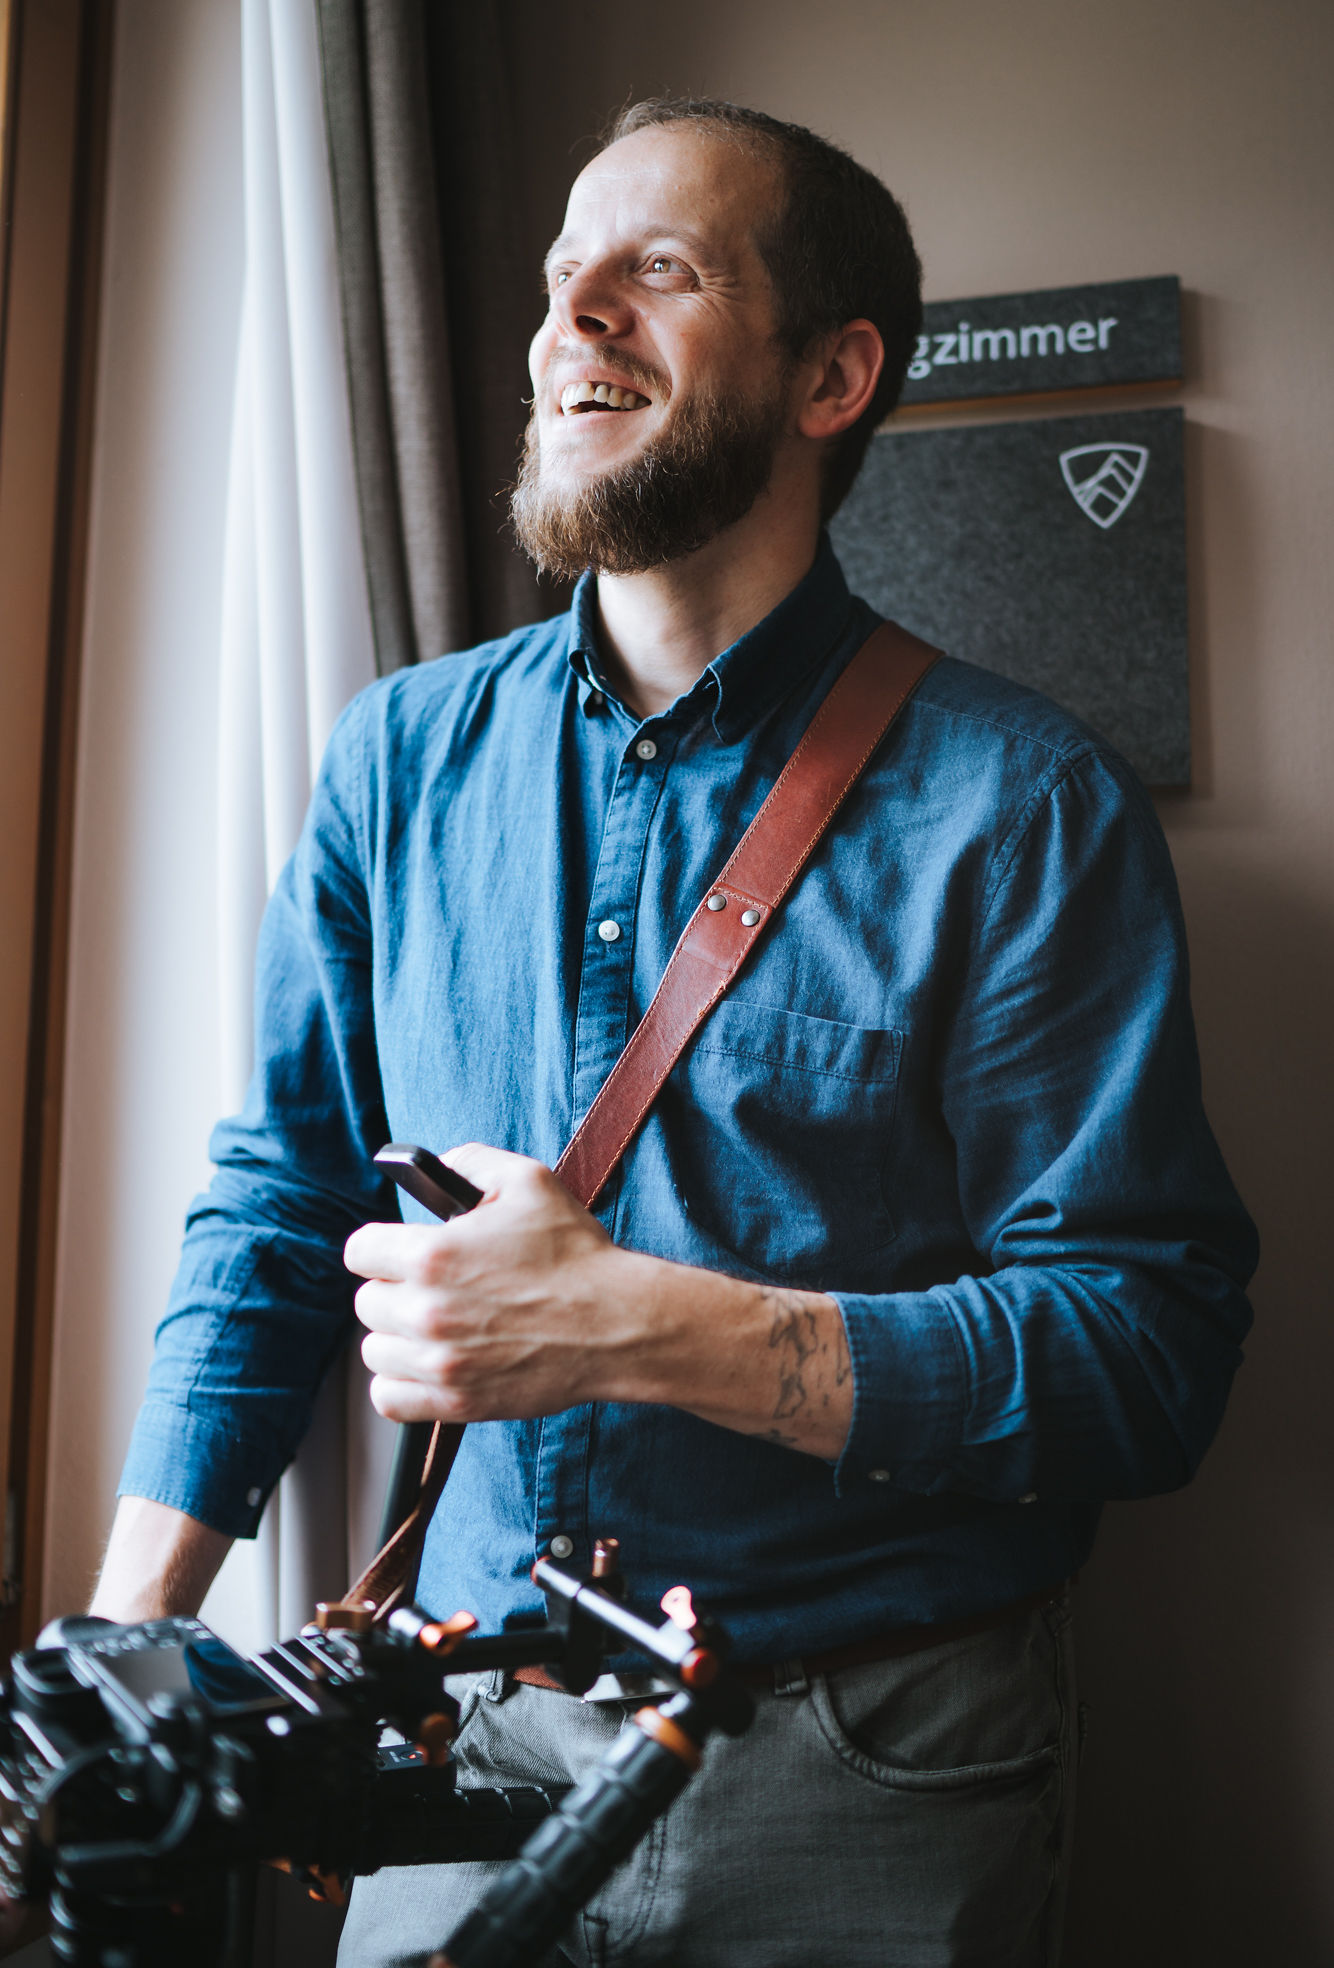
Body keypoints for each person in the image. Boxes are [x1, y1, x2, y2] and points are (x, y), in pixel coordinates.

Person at [91, 99, 1257, 1966]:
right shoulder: (392, 758)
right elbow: (273, 1202)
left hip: (867, 1771)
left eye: (661, 270)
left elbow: (1143, 1348)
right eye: (564, 278)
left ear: (831, 374)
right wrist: (122, 1642)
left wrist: (642, 1328)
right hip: (452, 1742)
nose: (575, 320)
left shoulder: (1028, 803)